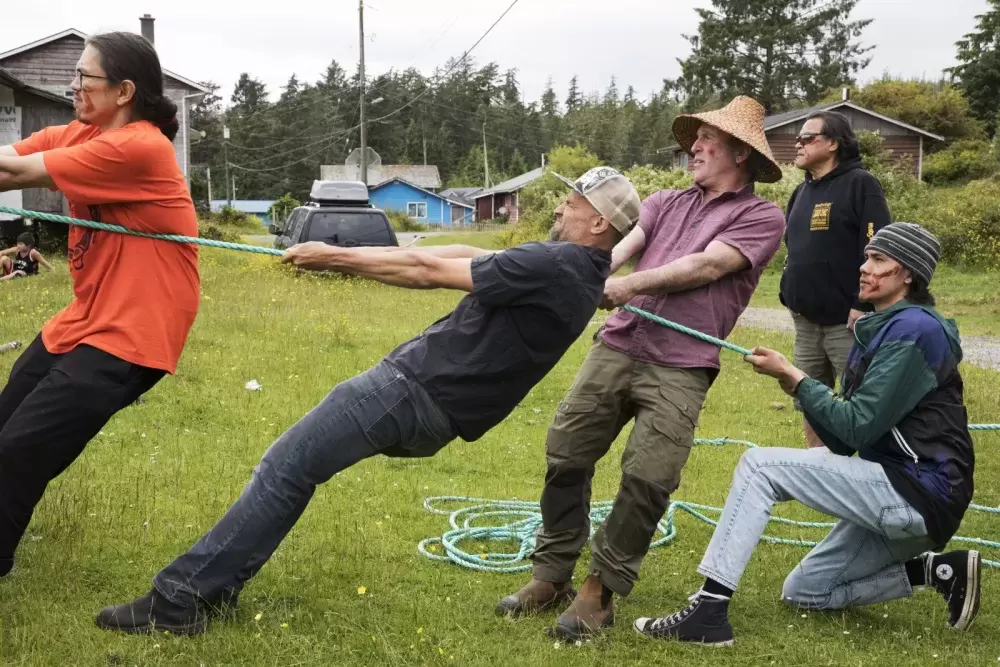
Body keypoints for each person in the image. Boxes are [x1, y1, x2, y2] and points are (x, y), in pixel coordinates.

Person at [94, 167, 642, 636]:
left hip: (410, 390)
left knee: (286, 467)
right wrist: (360, 249)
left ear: (599, 222)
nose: (562, 207)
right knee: (295, 468)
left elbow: (429, 271)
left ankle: (180, 599)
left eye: (574, 204)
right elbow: (464, 251)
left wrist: (335, 258)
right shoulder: (578, 271)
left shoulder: (559, 266)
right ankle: (214, 586)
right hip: (435, 408)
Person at [497, 96, 787, 640]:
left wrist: (630, 285)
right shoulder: (663, 203)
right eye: (695, 138)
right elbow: (612, 256)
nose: (694, 148)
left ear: (741, 154)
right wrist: (563, 280)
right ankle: (552, 573)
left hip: (683, 365)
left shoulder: (760, 216)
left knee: (648, 478)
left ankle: (598, 590)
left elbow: (706, 265)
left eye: (707, 140)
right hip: (617, 345)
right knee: (566, 454)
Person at [634, 222, 979, 646]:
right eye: (866, 256)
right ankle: (936, 570)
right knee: (806, 591)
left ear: (907, 274)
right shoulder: (881, 327)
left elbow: (856, 426)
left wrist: (797, 378)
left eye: (878, 259)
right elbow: (841, 440)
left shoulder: (915, 331)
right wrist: (793, 382)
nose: (863, 267)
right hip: (911, 497)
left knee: (760, 467)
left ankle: (708, 610)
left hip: (918, 490)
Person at [0, 32, 200, 576]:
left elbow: (15, 174)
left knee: (19, 448)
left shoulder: (139, 146)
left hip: (135, 331)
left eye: (84, 77)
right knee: (7, 426)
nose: (73, 85)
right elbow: (6, 162)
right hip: (84, 319)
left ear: (123, 91)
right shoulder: (80, 133)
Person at [779, 110, 891, 448]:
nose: (797, 143)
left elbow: (879, 248)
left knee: (864, 403)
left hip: (848, 323)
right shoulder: (801, 192)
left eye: (807, 137)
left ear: (832, 144)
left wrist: (863, 303)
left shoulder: (861, 184)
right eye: (797, 138)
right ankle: (818, 471)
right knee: (811, 399)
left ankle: (880, 472)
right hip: (806, 323)